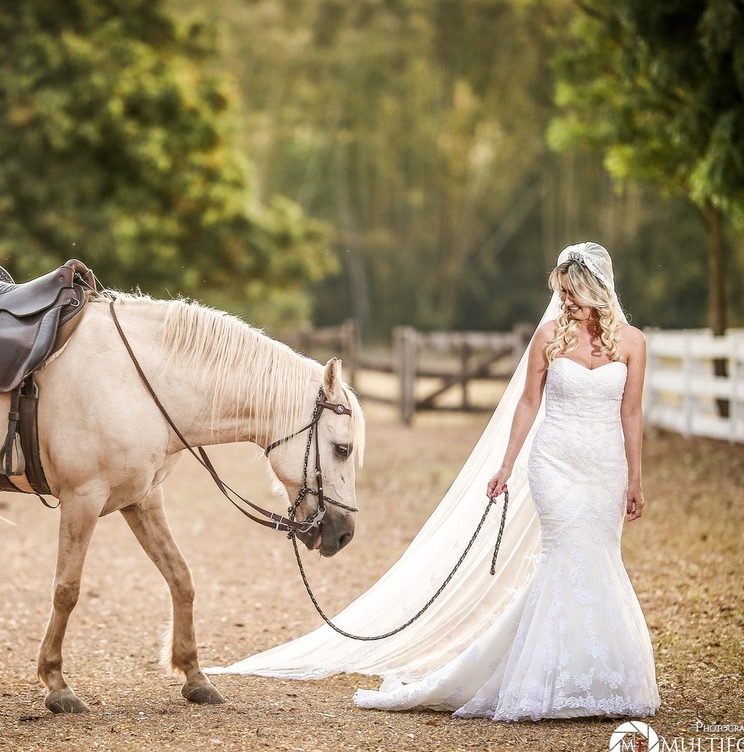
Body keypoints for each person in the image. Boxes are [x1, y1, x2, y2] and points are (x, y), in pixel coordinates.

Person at [207, 243, 659, 721]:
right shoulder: (548, 336)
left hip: (604, 468)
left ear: (596, 289)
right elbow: (528, 403)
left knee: (600, 557)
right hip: (555, 464)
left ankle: (599, 675)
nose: (565, 301)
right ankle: (547, 678)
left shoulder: (632, 343)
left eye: (572, 293)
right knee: (565, 553)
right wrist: (506, 466)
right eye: (561, 292)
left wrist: (636, 477)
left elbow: (631, 411)